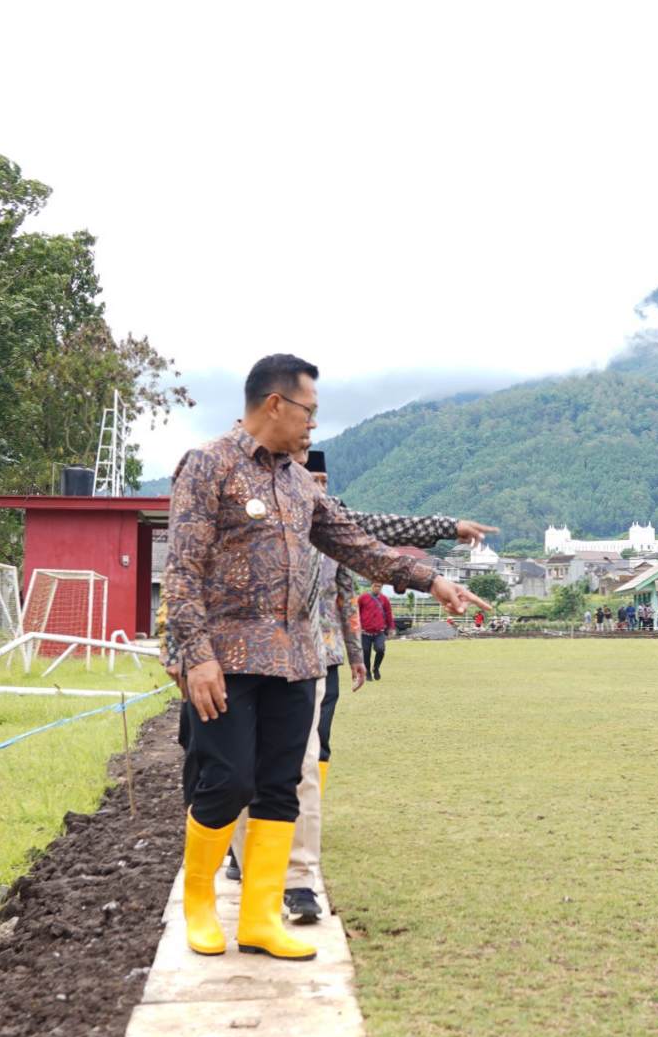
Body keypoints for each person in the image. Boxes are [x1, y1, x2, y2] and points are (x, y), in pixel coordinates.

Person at [166, 354, 478, 962]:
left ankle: (259, 919)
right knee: (228, 781)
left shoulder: (296, 482)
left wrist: (429, 579)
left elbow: (355, 543)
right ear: (275, 404)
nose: (314, 424)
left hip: (296, 661)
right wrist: (195, 655)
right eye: (309, 410)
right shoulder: (209, 465)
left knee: (282, 788)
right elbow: (180, 570)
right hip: (225, 660)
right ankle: (199, 903)